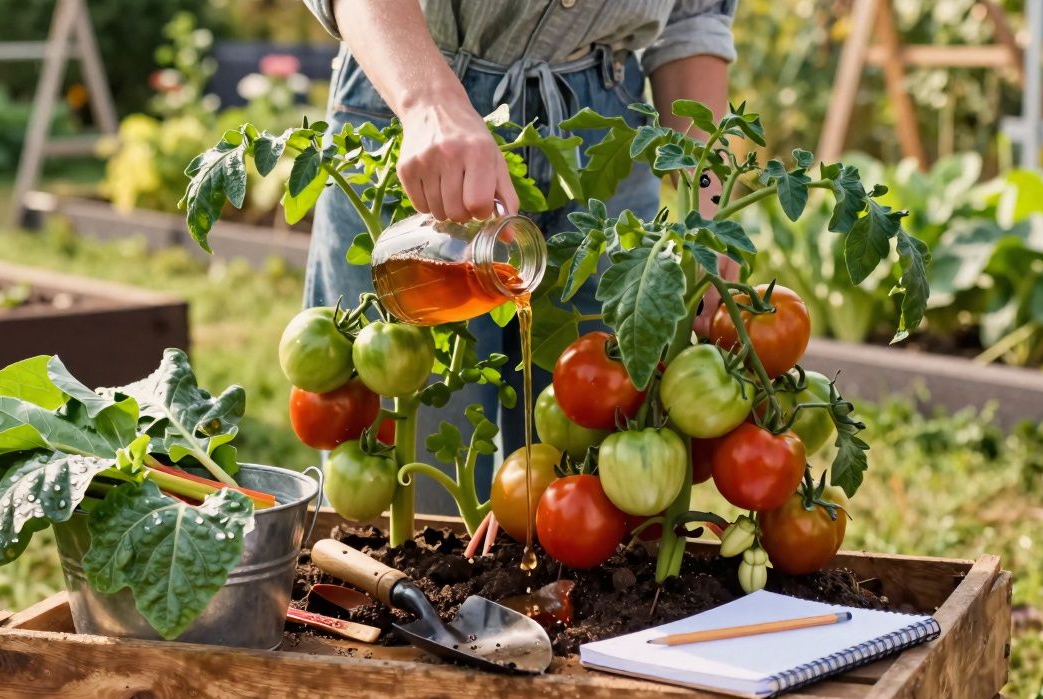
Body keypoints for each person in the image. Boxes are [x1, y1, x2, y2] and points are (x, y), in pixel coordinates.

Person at [300, 0, 738, 513]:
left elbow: (693, 20)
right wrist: (429, 104)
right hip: (415, 100)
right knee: (417, 492)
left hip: (604, 144)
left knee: (595, 485)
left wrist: (708, 203)